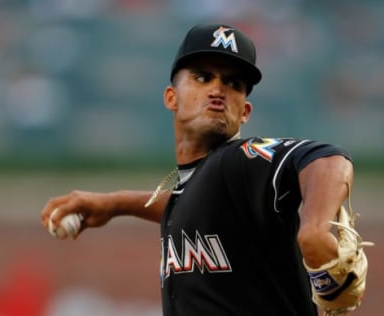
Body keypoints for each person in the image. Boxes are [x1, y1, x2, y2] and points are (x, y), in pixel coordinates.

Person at [42, 24, 366, 316]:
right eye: (202, 77)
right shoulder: (208, 183)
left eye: (233, 83)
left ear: (245, 112)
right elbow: (191, 205)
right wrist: (115, 204)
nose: (217, 89)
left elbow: (327, 158)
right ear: (172, 97)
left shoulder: (239, 160)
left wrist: (315, 229)